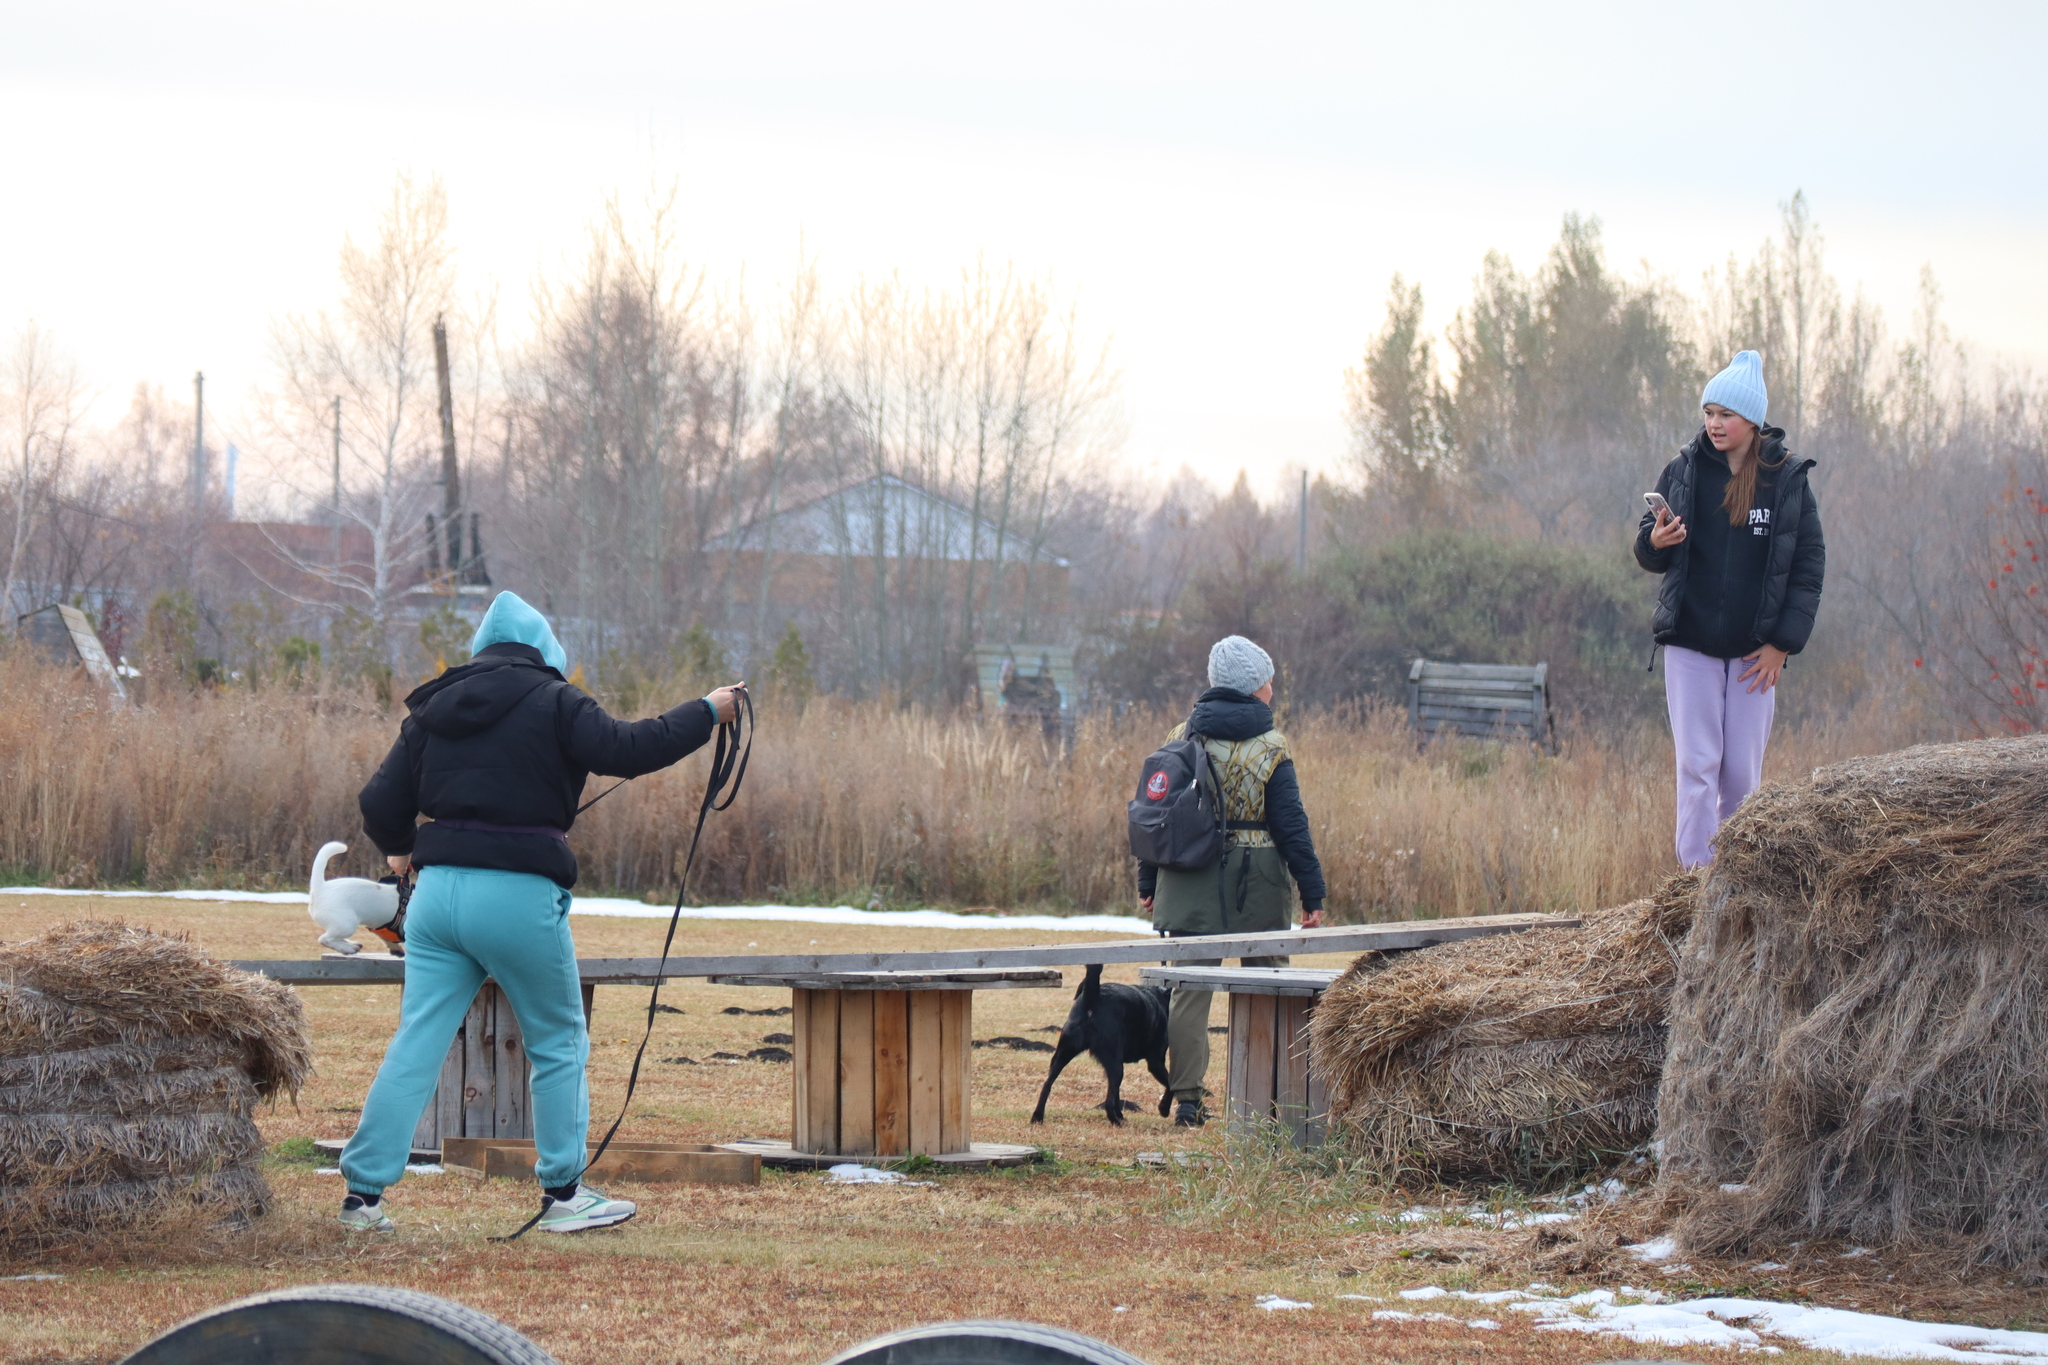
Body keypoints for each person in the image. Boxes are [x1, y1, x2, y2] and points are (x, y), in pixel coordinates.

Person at [338, 591, 744, 1233]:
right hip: (519, 893)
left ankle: (362, 1198)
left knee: (417, 1041)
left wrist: (398, 850)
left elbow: (379, 798)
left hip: (436, 897)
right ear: (545, 649)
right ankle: (563, 1195)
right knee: (557, 1043)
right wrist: (707, 711)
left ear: (480, 649)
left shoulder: (432, 708)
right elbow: (630, 749)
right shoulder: (557, 700)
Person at [1635, 350, 1824, 869]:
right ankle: (1696, 880)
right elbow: (1647, 553)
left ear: (1752, 421)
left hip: (1753, 655)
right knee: (1698, 765)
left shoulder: (1787, 481)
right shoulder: (1683, 468)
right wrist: (1658, 539)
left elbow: (1808, 569)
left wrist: (1782, 644)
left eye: (1726, 415)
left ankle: (1736, 878)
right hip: (1690, 644)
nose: (1714, 425)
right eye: (1708, 413)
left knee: (1741, 773)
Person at [1135, 635, 1327, 1126]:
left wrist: (1150, 880)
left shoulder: (1183, 733)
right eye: (1267, 680)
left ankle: (1188, 1102)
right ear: (1251, 687)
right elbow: (1291, 826)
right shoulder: (1272, 746)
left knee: (1188, 989)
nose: (1271, 689)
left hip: (1186, 878)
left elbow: (1157, 815)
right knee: (1271, 985)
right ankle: (1280, 1097)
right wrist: (1312, 890)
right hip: (1256, 881)